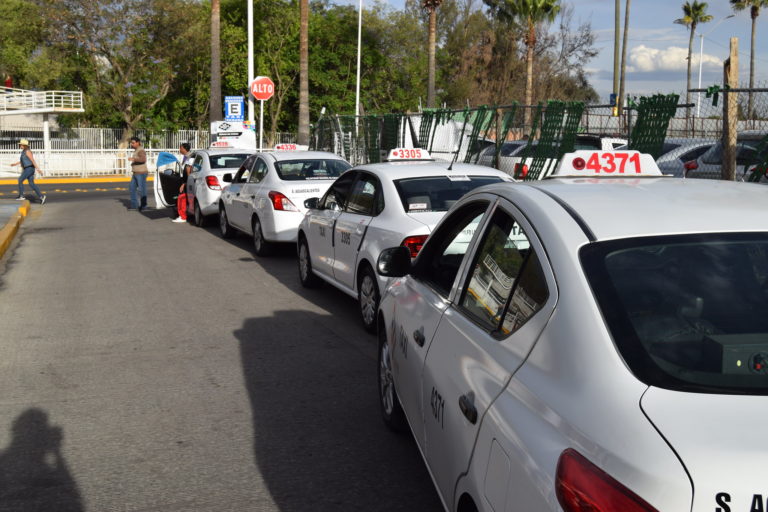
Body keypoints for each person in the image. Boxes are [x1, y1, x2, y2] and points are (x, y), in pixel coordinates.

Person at [10, 139, 46, 204]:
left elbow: (32, 160)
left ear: (24, 145)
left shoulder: (27, 151)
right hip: (29, 168)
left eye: (20, 144)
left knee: (20, 180)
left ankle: (21, 196)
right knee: (31, 184)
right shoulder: (23, 151)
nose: (19, 145)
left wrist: (38, 169)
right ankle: (41, 197)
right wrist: (15, 164)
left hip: (29, 168)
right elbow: (23, 161)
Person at [172, 142, 192, 223]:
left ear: (184, 149)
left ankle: (183, 216)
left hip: (187, 182)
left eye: (180, 148)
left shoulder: (189, 158)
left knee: (182, 198)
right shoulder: (186, 157)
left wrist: (185, 183)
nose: (179, 149)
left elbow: (188, 171)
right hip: (186, 181)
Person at [128, 136, 149, 211]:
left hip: (141, 173)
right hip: (136, 173)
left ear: (138, 142)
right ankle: (134, 206)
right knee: (132, 188)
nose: (131, 144)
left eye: (133, 143)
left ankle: (144, 206)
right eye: (131, 143)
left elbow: (143, 160)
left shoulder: (140, 150)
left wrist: (133, 159)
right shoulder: (136, 150)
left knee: (142, 190)